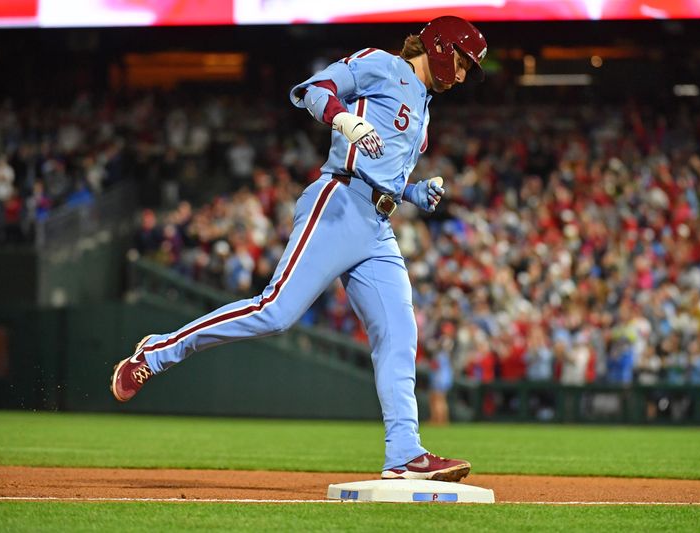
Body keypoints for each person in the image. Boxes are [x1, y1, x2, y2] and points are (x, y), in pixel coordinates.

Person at [111, 16, 487, 483]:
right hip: (339, 202)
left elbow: (387, 172)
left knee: (399, 333)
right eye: (464, 61)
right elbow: (312, 89)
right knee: (274, 312)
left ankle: (405, 452)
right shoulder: (382, 65)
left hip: (377, 223)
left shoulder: (425, 110)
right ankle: (157, 351)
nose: (465, 73)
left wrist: (414, 193)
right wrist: (343, 117)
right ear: (440, 46)